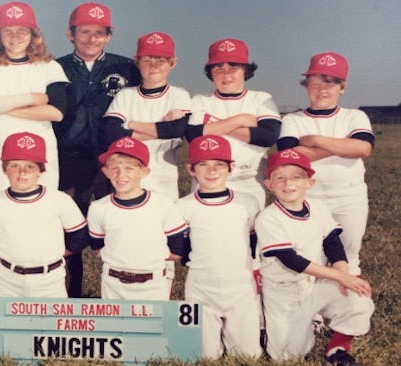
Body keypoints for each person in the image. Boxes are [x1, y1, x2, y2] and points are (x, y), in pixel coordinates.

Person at [256, 149, 374, 364]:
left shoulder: (318, 207)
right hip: (285, 291)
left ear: (310, 183)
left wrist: (343, 274)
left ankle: (337, 348)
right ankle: (283, 325)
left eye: (296, 177)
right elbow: (292, 260)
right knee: (287, 357)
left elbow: (332, 243)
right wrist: (340, 277)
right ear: (269, 184)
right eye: (279, 178)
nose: (287, 183)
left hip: (317, 282)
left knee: (358, 299)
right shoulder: (268, 218)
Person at [55, 2, 141, 298]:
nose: (91, 38)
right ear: (70, 33)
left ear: (109, 36)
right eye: (84, 32)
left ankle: (119, 296)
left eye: (99, 33)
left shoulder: (126, 67)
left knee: (120, 226)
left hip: (112, 160)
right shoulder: (56, 67)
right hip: (68, 159)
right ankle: (70, 296)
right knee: (68, 229)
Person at [277, 52, 374, 277]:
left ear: (342, 87)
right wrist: (343, 146)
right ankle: (315, 312)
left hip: (349, 196)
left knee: (349, 255)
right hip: (309, 197)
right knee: (311, 255)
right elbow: (291, 157)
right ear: (306, 85)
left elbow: (363, 149)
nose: (322, 90)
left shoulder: (354, 116)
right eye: (315, 83)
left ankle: (347, 306)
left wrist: (316, 140)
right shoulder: (294, 120)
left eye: (330, 83)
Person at [0, 1, 69, 198]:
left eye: (22, 30)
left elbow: (56, 112)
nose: (15, 36)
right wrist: (32, 98)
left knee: (42, 210)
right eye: (7, 31)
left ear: (33, 34)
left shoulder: (49, 66)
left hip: (40, 152)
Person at [175, 135, 262, 359]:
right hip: (201, 286)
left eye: (219, 165)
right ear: (191, 169)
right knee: (205, 356)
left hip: (240, 286)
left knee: (247, 355)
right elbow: (182, 247)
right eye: (203, 165)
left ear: (231, 167)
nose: (211, 171)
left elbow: (253, 243)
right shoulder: (183, 206)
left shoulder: (247, 202)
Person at [0, 132, 88, 298]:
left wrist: (58, 251)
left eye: (30, 166)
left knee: (51, 323)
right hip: (7, 278)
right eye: (14, 166)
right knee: (7, 323)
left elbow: (79, 236)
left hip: (50, 279)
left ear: (40, 170)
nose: (22, 173)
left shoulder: (59, 200)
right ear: (4, 169)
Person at [185, 38, 281, 208]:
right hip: (206, 180)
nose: (226, 74)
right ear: (211, 72)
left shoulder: (261, 98)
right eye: (218, 67)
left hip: (249, 179)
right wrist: (241, 120)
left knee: (247, 232)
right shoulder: (200, 100)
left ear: (245, 70)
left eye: (233, 67)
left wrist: (212, 126)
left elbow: (267, 137)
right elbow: (194, 135)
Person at [87, 137, 187, 300]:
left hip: (152, 284)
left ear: (144, 172)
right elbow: (98, 247)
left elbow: (177, 249)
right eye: (115, 169)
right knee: (116, 325)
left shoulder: (162, 205)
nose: (121, 175)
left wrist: (144, 257)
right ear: (106, 172)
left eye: (129, 169)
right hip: (114, 283)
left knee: (153, 325)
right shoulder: (98, 208)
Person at [103, 31, 191, 201]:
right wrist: (160, 127)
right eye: (147, 60)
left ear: (173, 63)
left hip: (164, 175)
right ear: (137, 62)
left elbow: (177, 129)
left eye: (161, 60)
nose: (153, 66)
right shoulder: (125, 95)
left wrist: (132, 125)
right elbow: (111, 133)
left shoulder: (179, 95)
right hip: (127, 175)